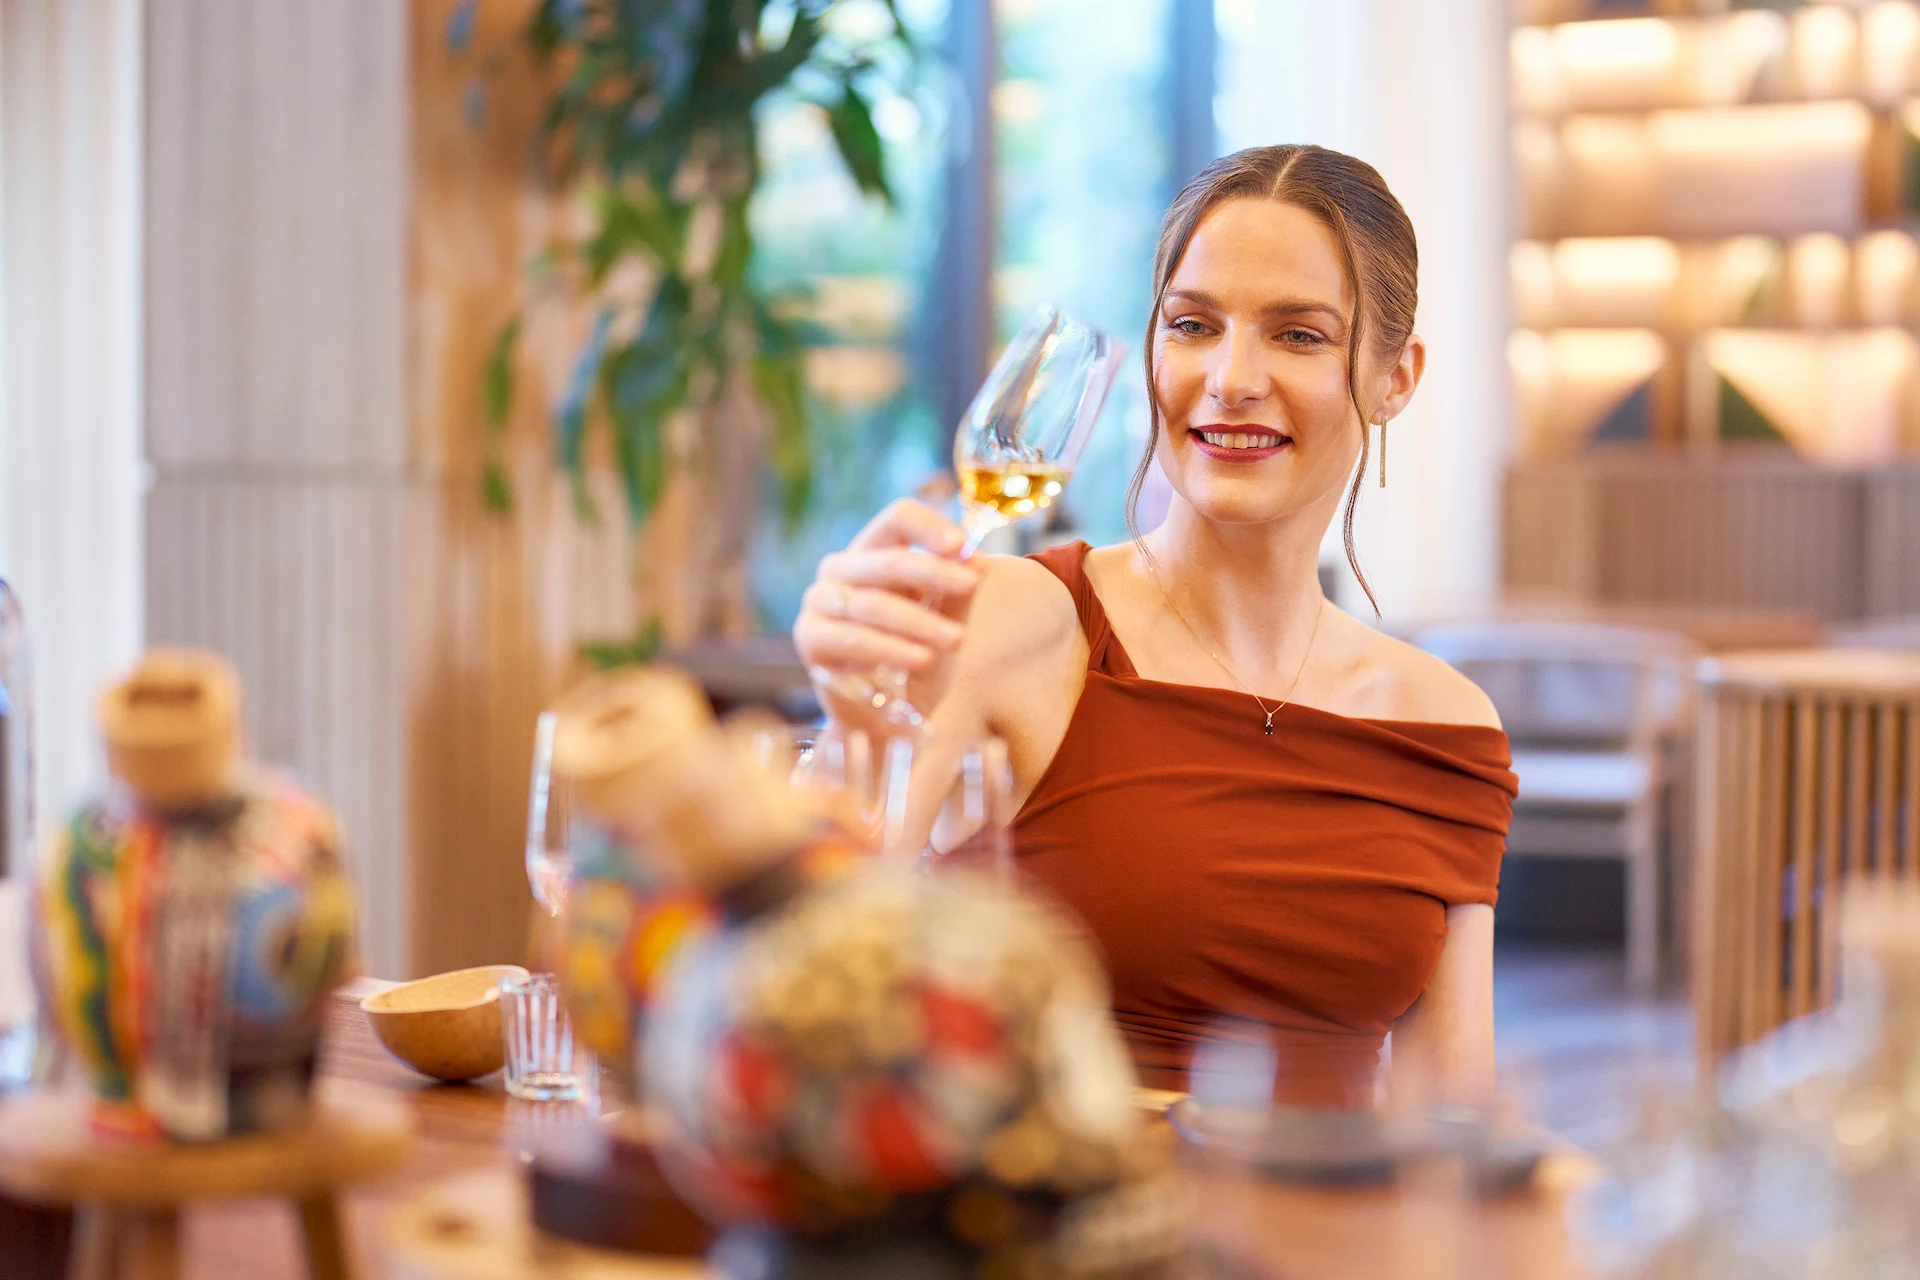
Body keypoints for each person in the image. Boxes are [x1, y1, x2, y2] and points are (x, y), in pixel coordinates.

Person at [793, 145, 1517, 1112]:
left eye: (1298, 336)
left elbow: (1452, 1135)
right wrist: (857, 725)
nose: (1230, 378)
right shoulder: (1021, 621)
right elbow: (793, 981)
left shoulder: (1449, 728)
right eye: (1192, 325)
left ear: (1395, 377)